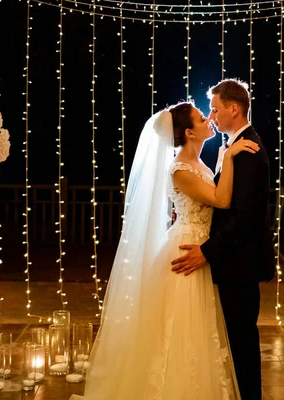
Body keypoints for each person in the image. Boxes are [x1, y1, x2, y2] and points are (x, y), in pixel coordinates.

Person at [71, 101, 259, 400]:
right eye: (201, 118)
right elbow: (221, 202)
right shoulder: (179, 170)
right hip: (185, 250)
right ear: (189, 132)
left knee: (198, 331)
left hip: (201, 248)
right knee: (178, 328)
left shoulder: (199, 163)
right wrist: (232, 156)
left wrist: (225, 158)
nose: (209, 118)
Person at [171, 79, 276, 399]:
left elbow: (246, 217)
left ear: (234, 109)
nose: (211, 116)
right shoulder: (231, 148)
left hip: (238, 261)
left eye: (215, 110)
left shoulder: (248, 150)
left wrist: (207, 251)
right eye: (207, 113)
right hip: (225, 261)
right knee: (226, 339)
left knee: (242, 340)